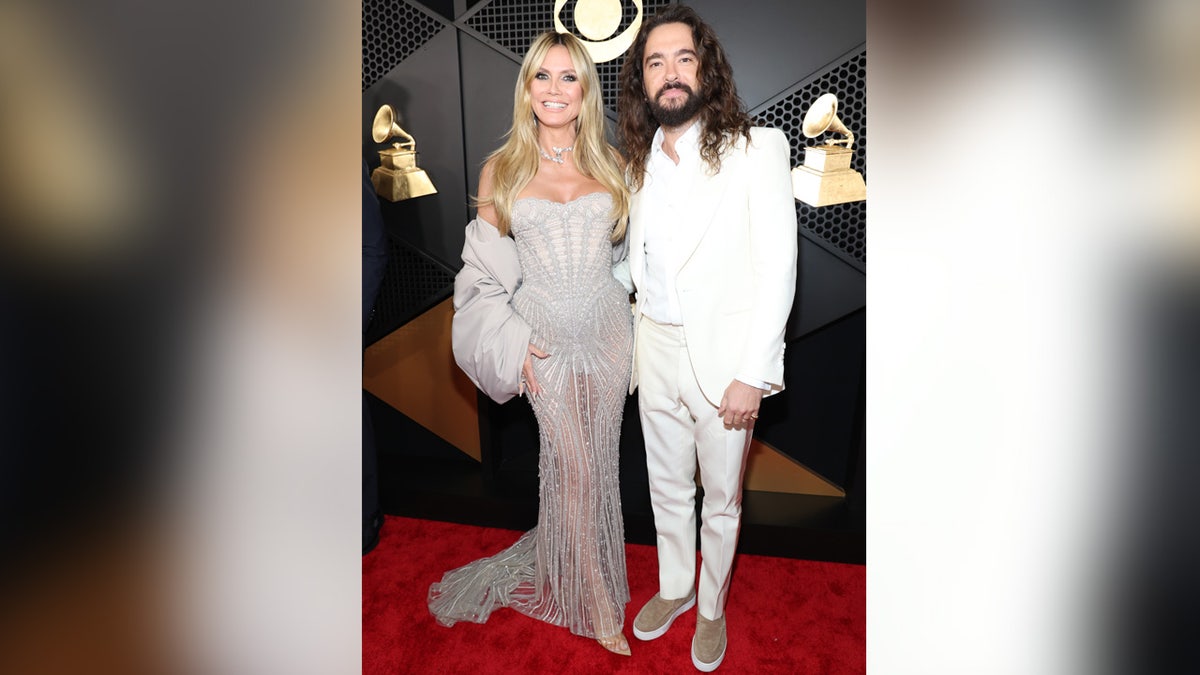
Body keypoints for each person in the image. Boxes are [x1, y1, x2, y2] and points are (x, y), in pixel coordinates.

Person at [428, 31, 635, 656]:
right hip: (541, 340)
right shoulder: (502, 169)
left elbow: (624, 261)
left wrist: (628, 317)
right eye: (541, 76)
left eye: (568, 77)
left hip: (606, 334)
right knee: (570, 462)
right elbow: (482, 278)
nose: (553, 88)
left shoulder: (614, 165)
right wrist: (512, 343)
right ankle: (595, 596)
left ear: (584, 91)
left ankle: (585, 565)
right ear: (527, 88)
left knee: (598, 461)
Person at [613, 5, 798, 671]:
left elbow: (778, 267)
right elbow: (637, 263)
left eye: (682, 59)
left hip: (724, 363)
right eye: (654, 62)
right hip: (652, 349)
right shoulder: (639, 163)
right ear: (643, 79)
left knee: (721, 500)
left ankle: (712, 606)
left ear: (706, 69)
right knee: (666, 485)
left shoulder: (758, 149)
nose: (669, 74)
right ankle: (675, 585)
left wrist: (755, 372)